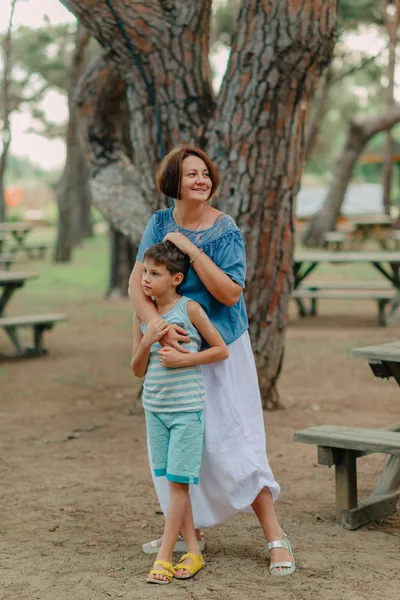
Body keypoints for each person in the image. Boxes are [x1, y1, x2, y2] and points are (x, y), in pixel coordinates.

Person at [129, 145, 296, 577]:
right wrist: (159, 328)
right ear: (173, 182)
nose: (201, 180)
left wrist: (190, 248)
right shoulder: (158, 223)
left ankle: (276, 537)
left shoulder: (224, 229)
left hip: (219, 350)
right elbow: (137, 285)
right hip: (173, 350)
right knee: (178, 447)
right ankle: (188, 535)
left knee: (233, 442)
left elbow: (230, 294)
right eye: (191, 174)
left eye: (205, 173)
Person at [131, 240, 229, 584]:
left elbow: (220, 350)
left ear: (175, 278)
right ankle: (194, 553)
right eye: (144, 271)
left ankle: (163, 557)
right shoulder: (143, 317)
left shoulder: (190, 310)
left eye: (154, 273)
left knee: (177, 485)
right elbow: (137, 370)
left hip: (186, 410)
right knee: (174, 482)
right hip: (154, 409)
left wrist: (185, 359)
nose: (145, 279)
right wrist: (147, 340)